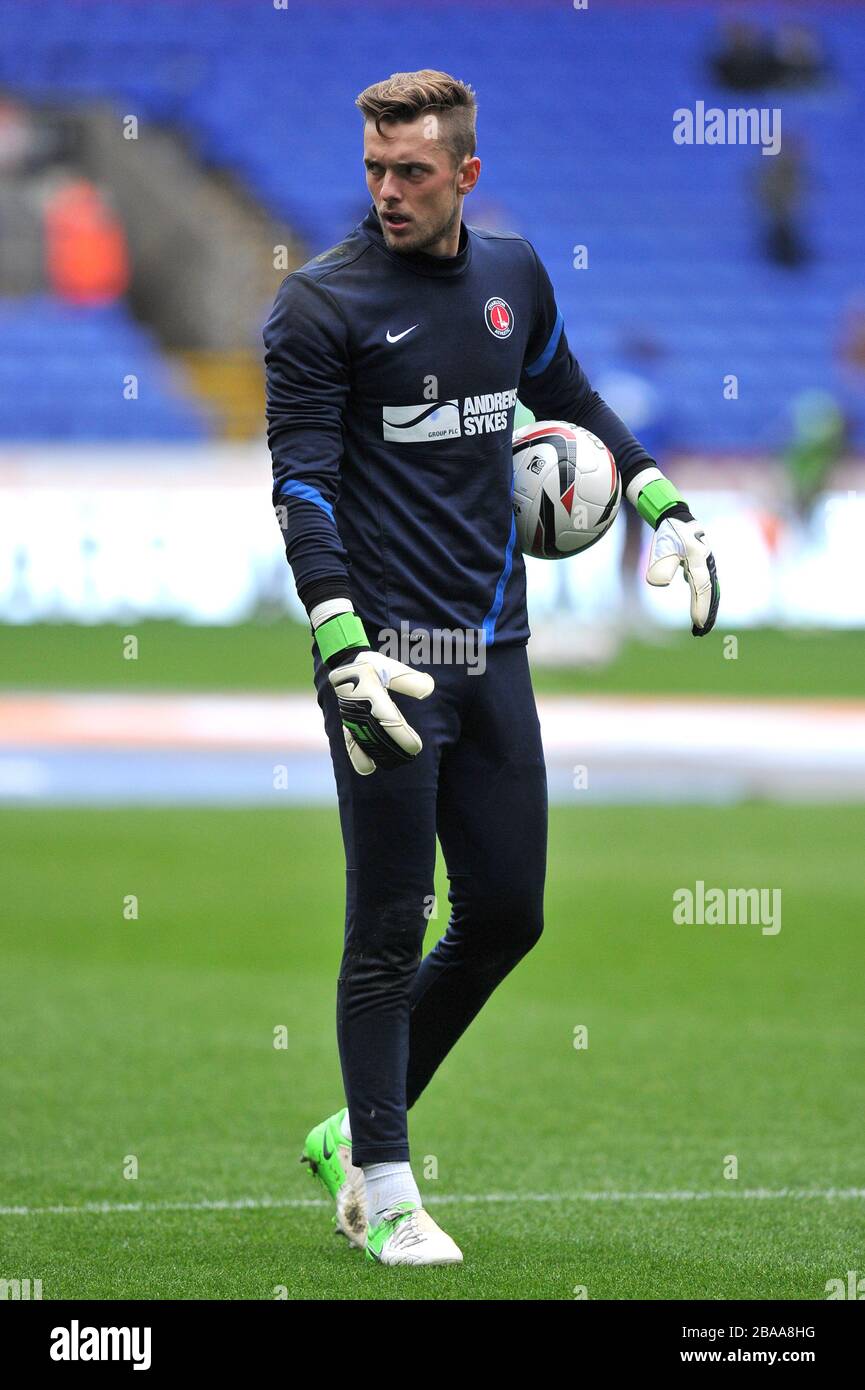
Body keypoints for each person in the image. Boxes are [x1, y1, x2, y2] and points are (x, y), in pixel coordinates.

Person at [263, 69, 719, 1268]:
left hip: (492, 646)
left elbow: (561, 392)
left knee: (508, 911)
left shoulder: (513, 276)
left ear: (465, 173)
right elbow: (302, 483)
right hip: (383, 665)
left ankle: (349, 1130)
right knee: (386, 922)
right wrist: (338, 636)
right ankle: (386, 1183)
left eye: (412, 171)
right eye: (373, 169)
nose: (388, 191)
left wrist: (657, 493)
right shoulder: (319, 306)